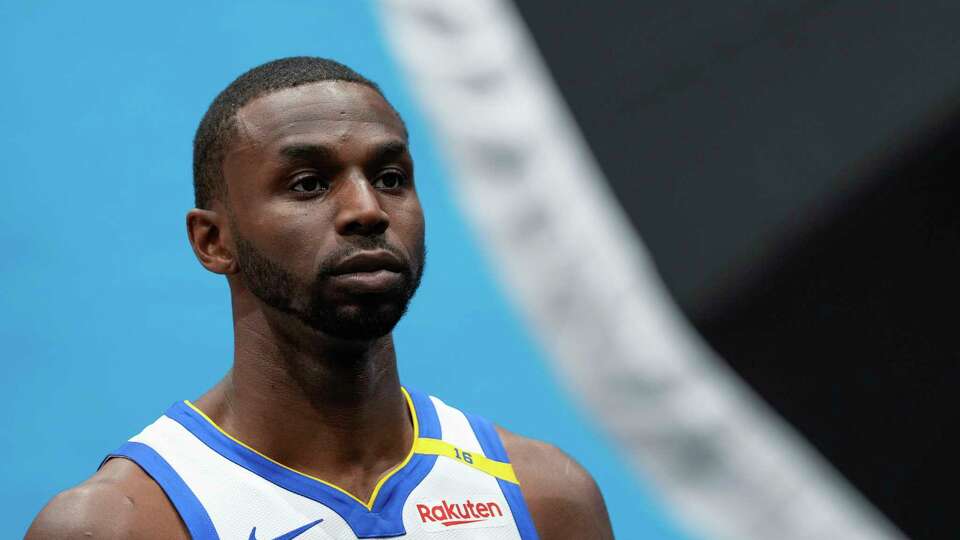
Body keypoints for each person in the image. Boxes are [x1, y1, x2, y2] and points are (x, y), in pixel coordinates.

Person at [26, 57, 613, 540]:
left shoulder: (543, 499)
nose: (367, 210)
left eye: (390, 177)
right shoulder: (123, 523)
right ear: (213, 241)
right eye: (308, 184)